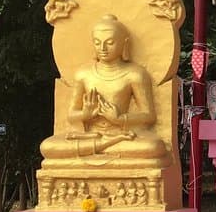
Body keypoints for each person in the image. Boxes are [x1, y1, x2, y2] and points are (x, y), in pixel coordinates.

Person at [40, 14, 167, 160]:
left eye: (110, 42)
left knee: (153, 147)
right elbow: (71, 114)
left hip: (123, 135)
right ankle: (104, 145)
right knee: (48, 147)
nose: (103, 48)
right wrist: (85, 114)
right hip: (89, 136)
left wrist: (120, 119)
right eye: (97, 42)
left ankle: (103, 146)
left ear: (124, 44)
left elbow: (149, 115)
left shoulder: (135, 74)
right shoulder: (83, 74)